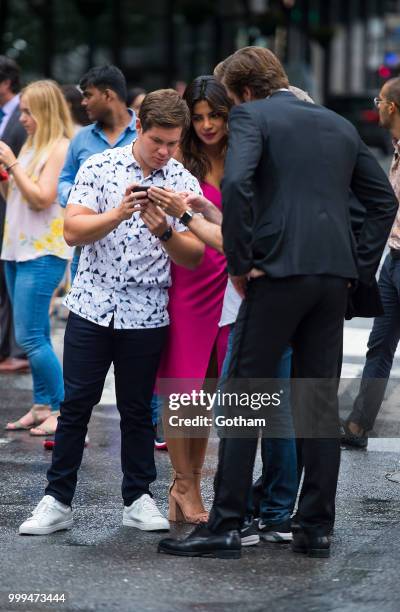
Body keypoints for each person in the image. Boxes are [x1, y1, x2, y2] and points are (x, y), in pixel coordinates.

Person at [157, 46, 398, 559]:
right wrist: (354, 267)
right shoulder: (334, 123)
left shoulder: (251, 116)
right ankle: (314, 527)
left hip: (276, 274)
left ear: (243, 92)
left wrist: (243, 261)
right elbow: (382, 200)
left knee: (246, 396)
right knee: (315, 402)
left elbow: (241, 183)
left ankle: (225, 525)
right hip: (332, 280)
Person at [18, 89, 205, 536]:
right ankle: (57, 500)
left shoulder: (182, 181)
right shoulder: (99, 167)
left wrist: (164, 231)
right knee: (76, 404)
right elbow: (72, 231)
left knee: (138, 410)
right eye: (158, 140)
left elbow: (195, 256)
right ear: (138, 127)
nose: (164, 152)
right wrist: (120, 213)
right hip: (91, 305)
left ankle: (138, 497)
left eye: (173, 143)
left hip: (147, 311)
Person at [152, 76, 230, 524]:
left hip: (230, 284)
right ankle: (183, 484)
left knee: (211, 387)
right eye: (197, 117)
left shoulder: (244, 156)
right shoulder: (183, 159)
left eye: (213, 115)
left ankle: (190, 484)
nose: (205, 125)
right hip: (189, 280)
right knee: (184, 388)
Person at [0, 80, 74, 434]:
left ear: (45, 111)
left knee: (29, 336)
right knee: (35, 332)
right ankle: (43, 405)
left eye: (28, 112)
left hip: (42, 251)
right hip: (17, 249)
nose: (23, 118)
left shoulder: (60, 147)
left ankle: (65, 410)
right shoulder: (31, 146)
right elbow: (16, 194)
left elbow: (42, 198)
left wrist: (12, 164)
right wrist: (7, 173)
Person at [342, 77, 400, 449]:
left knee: (382, 348)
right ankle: (358, 426)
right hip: (393, 262)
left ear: (392, 107)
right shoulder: (399, 148)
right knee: (379, 346)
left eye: (380, 100)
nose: (377, 105)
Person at [58, 65, 137, 280]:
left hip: (135, 260)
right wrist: (80, 200)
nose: (83, 102)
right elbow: (64, 180)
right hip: (86, 257)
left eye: (88, 95)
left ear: (108, 95)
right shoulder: (81, 138)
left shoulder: (145, 132)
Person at [0, 56, 28, 374]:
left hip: (16, 212)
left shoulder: (21, 121)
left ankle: (17, 351)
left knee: (13, 287)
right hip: (6, 207)